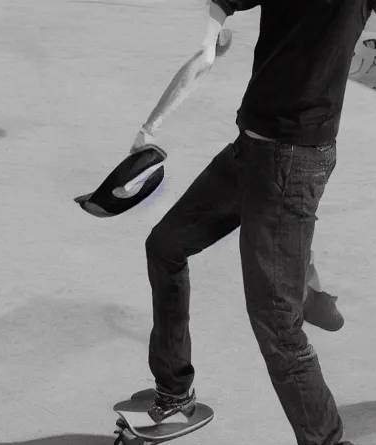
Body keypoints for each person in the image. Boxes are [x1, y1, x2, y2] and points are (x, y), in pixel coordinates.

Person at [130, 0, 376, 445]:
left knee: (276, 323)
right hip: (251, 147)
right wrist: (211, 30)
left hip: (293, 161)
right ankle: (175, 390)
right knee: (167, 245)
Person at [130, 21, 344, 332]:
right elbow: (205, 56)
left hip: (293, 151)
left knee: (278, 266)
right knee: (165, 245)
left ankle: (303, 292)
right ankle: (174, 381)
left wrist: (148, 128)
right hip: (257, 145)